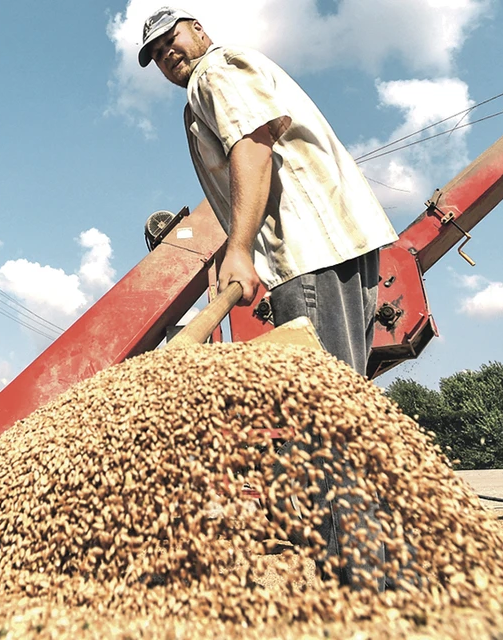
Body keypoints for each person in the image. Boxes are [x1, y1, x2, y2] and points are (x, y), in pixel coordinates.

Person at [138, 7, 402, 590]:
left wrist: (239, 249)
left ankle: (361, 586)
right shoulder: (227, 73)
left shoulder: (215, 71)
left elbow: (253, 143)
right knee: (343, 415)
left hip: (306, 253)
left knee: (321, 424)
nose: (168, 55)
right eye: (155, 54)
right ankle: (372, 573)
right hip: (338, 244)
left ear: (199, 30)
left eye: (171, 40)